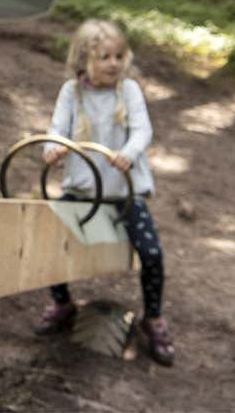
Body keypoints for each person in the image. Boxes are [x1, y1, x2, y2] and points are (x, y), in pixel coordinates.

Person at [35, 19, 175, 367]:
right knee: (52, 243)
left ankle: (153, 318)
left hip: (122, 193)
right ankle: (62, 302)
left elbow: (142, 130)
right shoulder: (72, 91)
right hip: (82, 189)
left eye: (118, 56)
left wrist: (128, 152)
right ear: (84, 60)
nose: (113, 63)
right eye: (104, 57)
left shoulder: (127, 91)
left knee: (152, 253)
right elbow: (57, 129)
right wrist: (52, 149)